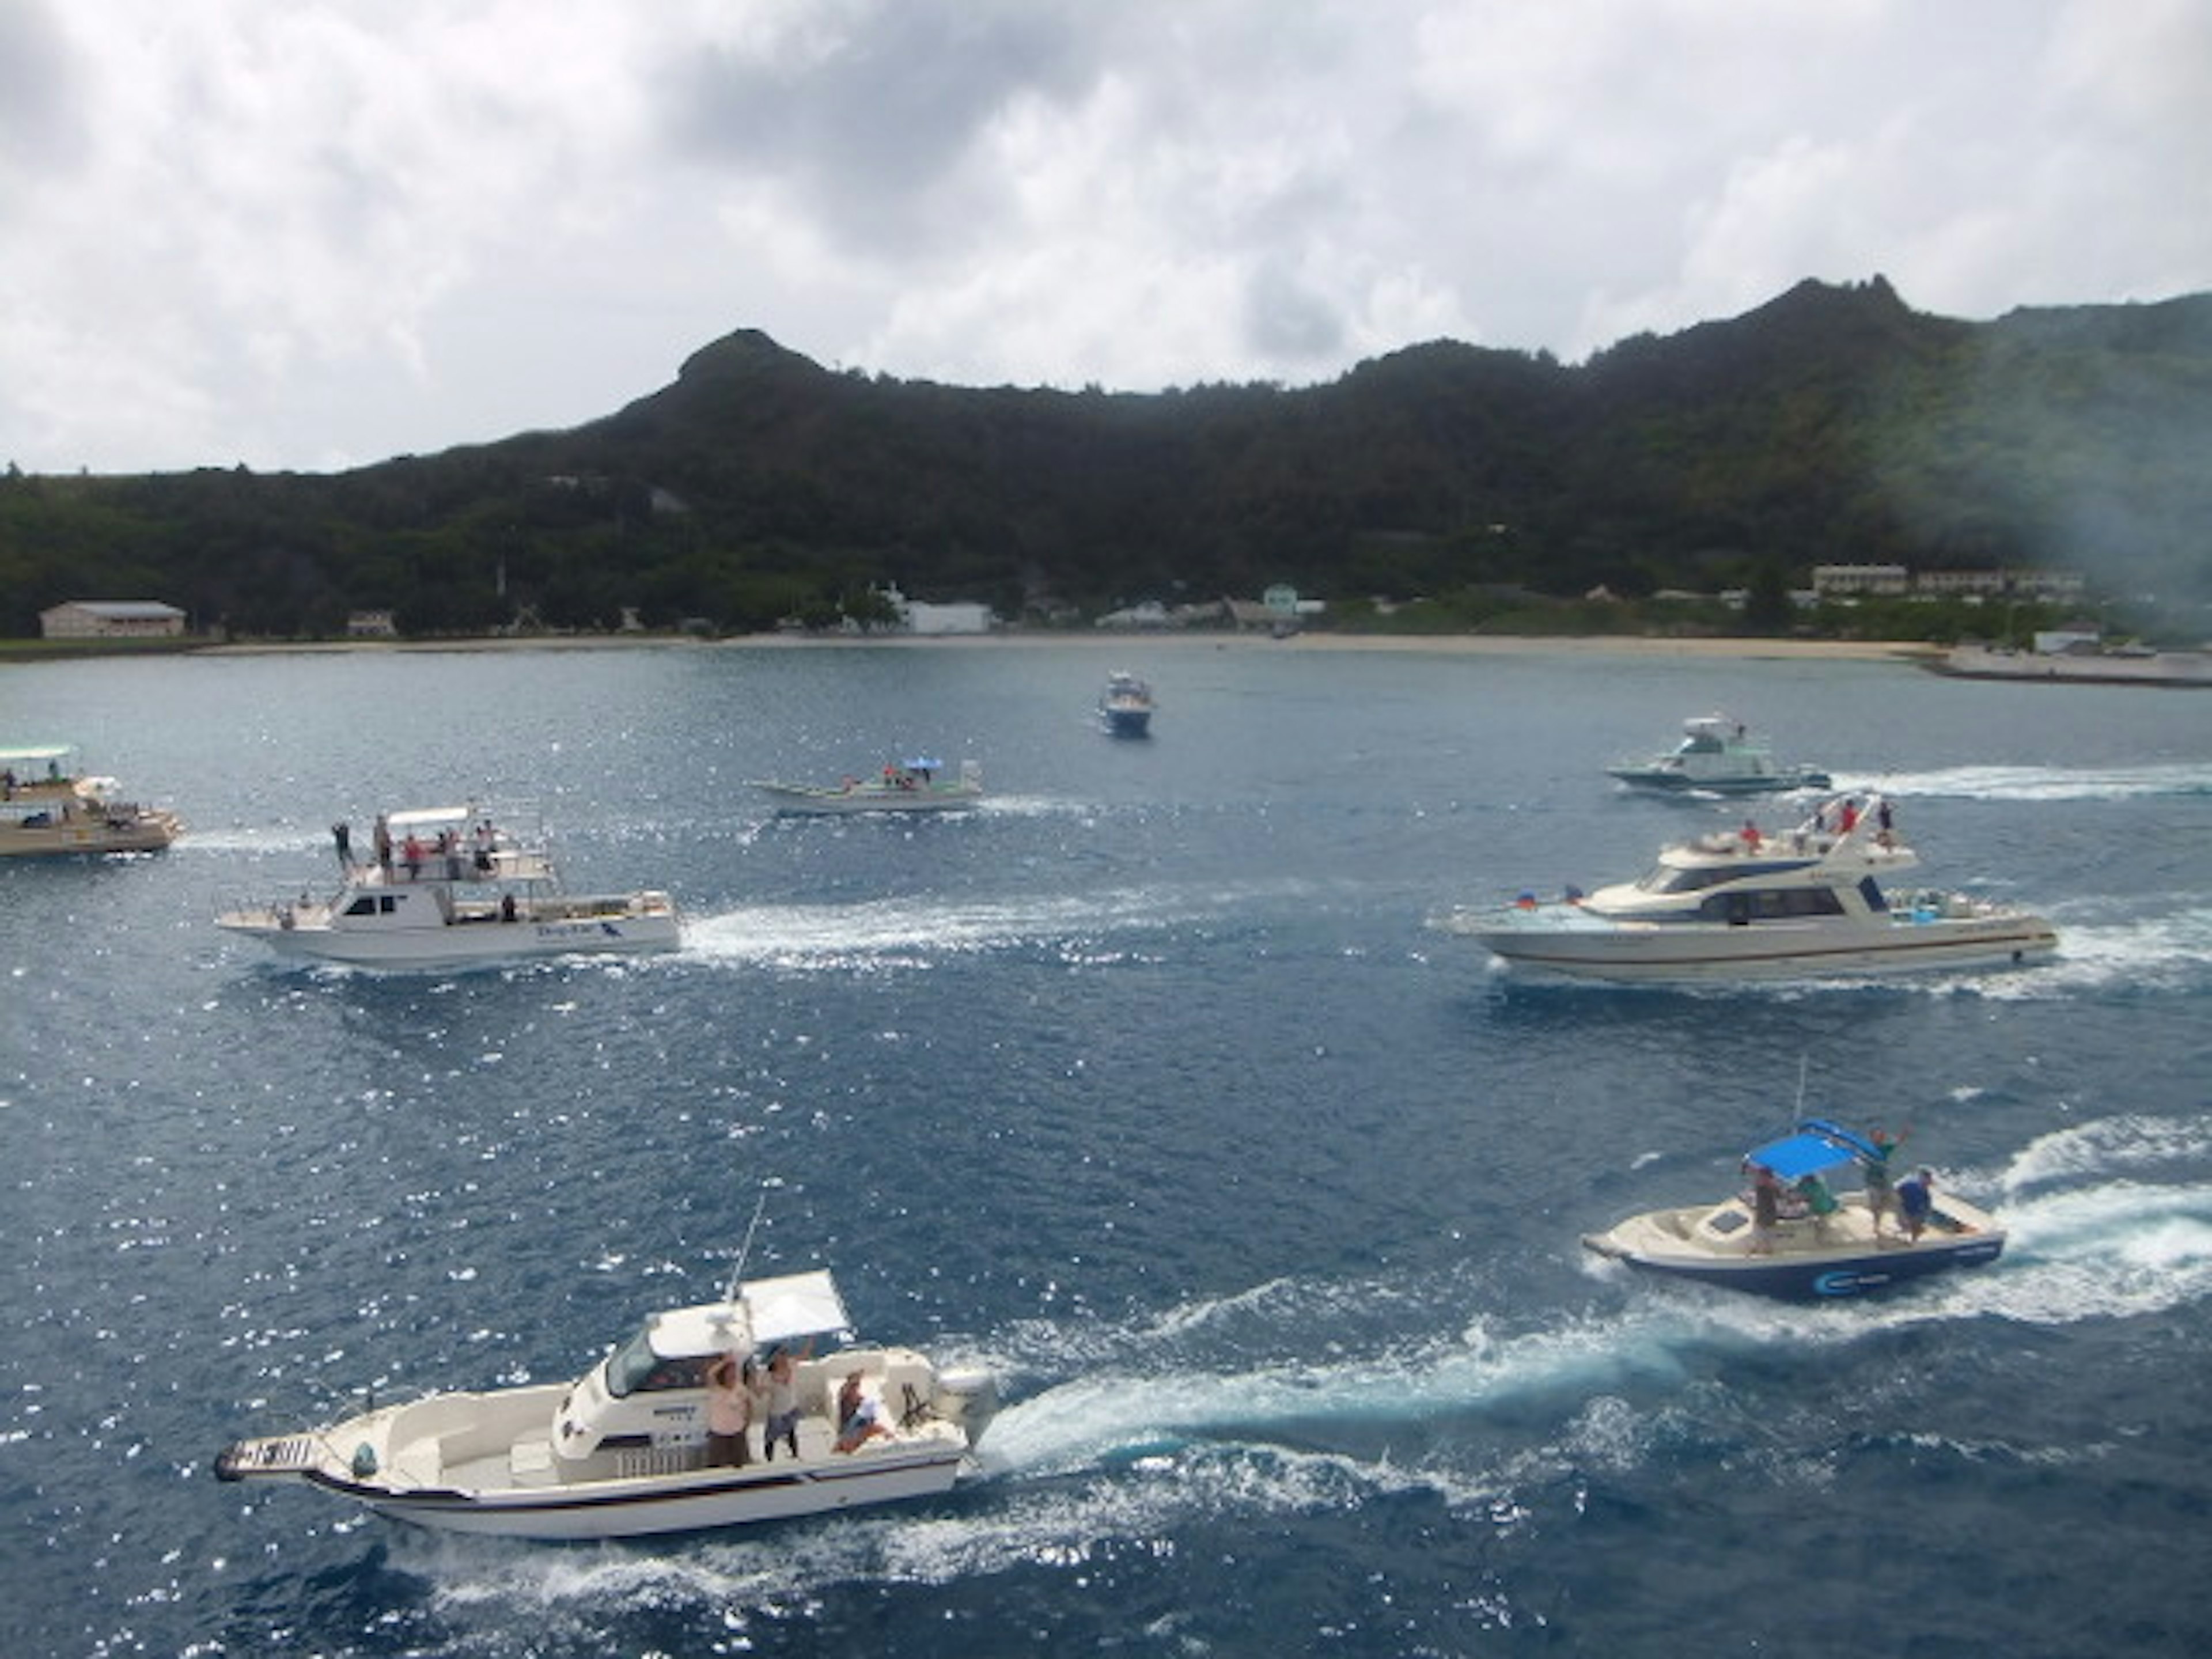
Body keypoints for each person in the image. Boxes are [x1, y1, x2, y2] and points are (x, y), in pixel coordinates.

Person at [760, 1341, 809, 1461]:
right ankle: (769, 1460)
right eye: (782, 1354)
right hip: (777, 1412)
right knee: (771, 1439)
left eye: (785, 1353)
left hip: (790, 1407)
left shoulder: (791, 1364)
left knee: (792, 1433)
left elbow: (804, 1356)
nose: (785, 1356)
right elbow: (761, 1391)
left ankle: (795, 1455)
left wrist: (810, 1340)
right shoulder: (768, 1376)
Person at [704, 1353, 752, 1467]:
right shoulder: (716, 1388)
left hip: (737, 1431)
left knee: (740, 1464)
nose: (732, 1375)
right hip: (719, 1433)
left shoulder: (740, 1388)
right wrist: (725, 1362)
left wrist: (747, 1422)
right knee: (716, 1465)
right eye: (729, 1372)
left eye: (734, 1372)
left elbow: (749, 1404)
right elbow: (710, 1374)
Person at [1861, 1126, 1906, 1238]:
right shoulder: (1867, 1150)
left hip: (1884, 1182)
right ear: (1872, 1138)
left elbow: (1897, 1142)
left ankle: (1902, 1224)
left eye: (1881, 1136)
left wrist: (1904, 1134)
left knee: (1897, 1201)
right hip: (1872, 1182)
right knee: (1876, 1206)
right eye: (1877, 1136)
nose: (1880, 1138)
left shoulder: (1885, 1148)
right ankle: (1876, 1226)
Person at [835, 1369, 891, 1453]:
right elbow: (856, 1400)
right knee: (873, 1428)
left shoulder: (847, 1392)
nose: (858, 1385)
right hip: (851, 1428)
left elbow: (860, 1400)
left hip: (850, 1427)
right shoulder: (847, 1393)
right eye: (856, 1384)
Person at [1896, 1168, 1936, 1243]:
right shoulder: (1909, 1186)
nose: (1928, 1182)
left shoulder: (1926, 1194)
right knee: (1907, 1223)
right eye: (1926, 1179)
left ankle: (1914, 1239)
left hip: (1915, 1214)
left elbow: (1928, 1208)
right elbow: (1896, 1194)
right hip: (1904, 1211)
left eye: (1929, 1180)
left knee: (1918, 1223)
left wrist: (1925, 1218)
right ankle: (1906, 1228)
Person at [1748, 1164, 1781, 1255]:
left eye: (1763, 1177)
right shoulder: (1760, 1186)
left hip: (1769, 1216)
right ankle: (1755, 1251)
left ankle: (1767, 1252)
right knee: (1757, 1236)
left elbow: (1779, 1195)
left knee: (1768, 1238)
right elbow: (1756, 1176)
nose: (1760, 1179)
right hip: (1762, 1215)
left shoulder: (1771, 1187)